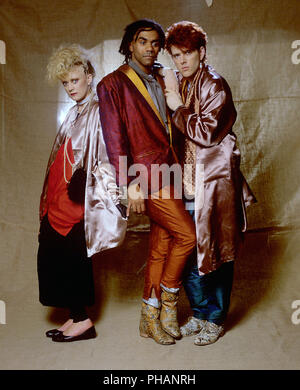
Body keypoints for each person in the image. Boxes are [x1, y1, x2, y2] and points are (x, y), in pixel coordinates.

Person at [97, 19, 196, 345]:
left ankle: (148, 317)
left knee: (162, 244)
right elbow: (115, 139)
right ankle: (168, 304)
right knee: (188, 236)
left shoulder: (161, 76)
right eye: (143, 42)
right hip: (145, 175)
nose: (150, 48)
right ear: (129, 45)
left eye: (155, 43)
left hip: (171, 168)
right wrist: (129, 183)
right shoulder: (112, 84)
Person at [163, 21, 256, 345]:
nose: (182, 61)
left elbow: (206, 133)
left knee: (215, 250)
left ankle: (216, 318)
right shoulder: (183, 85)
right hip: (186, 182)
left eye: (187, 53)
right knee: (188, 247)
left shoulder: (215, 85)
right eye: (176, 55)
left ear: (201, 52)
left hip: (213, 182)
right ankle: (200, 312)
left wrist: (176, 107)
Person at [38, 45, 127, 342]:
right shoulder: (75, 110)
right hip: (59, 196)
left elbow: (110, 152)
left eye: (74, 80)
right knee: (55, 255)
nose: (70, 87)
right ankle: (74, 316)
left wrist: (86, 177)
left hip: (79, 199)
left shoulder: (101, 108)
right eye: (65, 83)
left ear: (89, 77)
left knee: (72, 257)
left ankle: (83, 321)